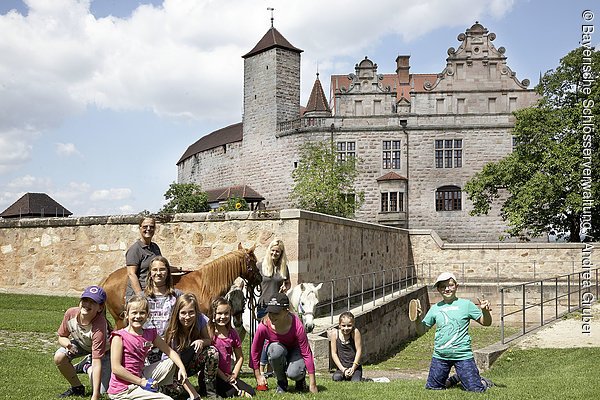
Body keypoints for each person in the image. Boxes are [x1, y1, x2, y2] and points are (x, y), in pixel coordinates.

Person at [107, 294, 198, 400]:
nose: (138, 316)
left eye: (142, 313)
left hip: (140, 375)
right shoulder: (119, 337)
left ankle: (166, 389)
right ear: (126, 315)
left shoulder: (150, 334)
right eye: (134, 313)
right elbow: (116, 369)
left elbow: (170, 352)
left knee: (172, 361)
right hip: (123, 389)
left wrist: (182, 368)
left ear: (147, 315)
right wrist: (141, 382)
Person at [417, 272, 494, 392]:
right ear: (438, 289)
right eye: (443, 286)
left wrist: (485, 311)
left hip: (463, 356)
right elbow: (421, 330)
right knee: (433, 389)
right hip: (440, 356)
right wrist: (417, 318)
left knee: (475, 390)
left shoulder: (466, 305)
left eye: (450, 285)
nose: (447, 289)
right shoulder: (435, 308)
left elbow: (486, 323)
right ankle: (454, 379)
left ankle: (483, 382)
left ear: (456, 286)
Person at [251, 293, 318, 394]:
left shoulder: (297, 325)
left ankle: (300, 380)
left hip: (295, 350)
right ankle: (282, 382)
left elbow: (307, 353)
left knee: (294, 373)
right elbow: (255, 351)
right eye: (270, 312)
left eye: (276, 313)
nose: (272, 316)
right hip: (278, 350)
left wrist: (313, 384)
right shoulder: (263, 326)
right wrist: (258, 376)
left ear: (286, 311)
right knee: (274, 350)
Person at [54, 285, 111, 400]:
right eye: (85, 300)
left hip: (104, 352)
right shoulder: (70, 313)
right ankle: (77, 387)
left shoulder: (99, 326)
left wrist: (95, 396)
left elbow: (97, 360)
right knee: (59, 356)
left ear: (100, 308)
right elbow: (61, 337)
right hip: (82, 344)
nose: (87, 304)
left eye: (92, 302)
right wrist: (68, 345)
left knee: (102, 390)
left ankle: (86, 366)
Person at [163, 293, 221, 398]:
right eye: (183, 313)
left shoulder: (200, 319)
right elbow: (172, 363)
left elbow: (210, 341)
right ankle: (184, 390)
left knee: (212, 352)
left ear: (196, 312)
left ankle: (210, 391)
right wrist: (192, 392)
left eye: (191, 312)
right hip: (174, 369)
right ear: (177, 313)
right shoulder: (172, 330)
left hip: (191, 362)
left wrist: (202, 341)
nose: (187, 317)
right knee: (175, 391)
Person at [255, 239, 291, 375]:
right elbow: (250, 281)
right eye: (273, 250)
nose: (275, 253)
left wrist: (285, 287)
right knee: (266, 337)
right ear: (269, 250)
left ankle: (268, 367)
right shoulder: (260, 266)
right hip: (264, 305)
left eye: (278, 251)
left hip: (277, 306)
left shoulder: (283, 267)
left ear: (281, 253)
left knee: (273, 337)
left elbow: (288, 283)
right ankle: (263, 367)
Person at [208, 297, 255, 398]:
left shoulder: (232, 333)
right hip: (212, 375)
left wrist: (234, 375)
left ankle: (235, 389)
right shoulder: (209, 333)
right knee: (229, 392)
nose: (223, 316)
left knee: (251, 391)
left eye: (226, 313)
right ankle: (235, 391)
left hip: (228, 375)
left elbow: (240, 357)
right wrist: (224, 377)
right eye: (219, 313)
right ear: (213, 314)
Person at [144, 256, 183, 363]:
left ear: (167, 272)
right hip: (149, 347)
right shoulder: (142, 297)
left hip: (171, 346)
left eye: (162, 269)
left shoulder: (178, 295)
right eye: (155, 270)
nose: (158, 273)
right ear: (150, 273)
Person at [125, 216, 161, 299]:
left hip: (152, 291)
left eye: (151, 227)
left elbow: (161, 266)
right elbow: (131, 274)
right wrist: (140, 296)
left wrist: (181, 269)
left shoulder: (155, 247)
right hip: (139, 294)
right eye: (145, 226)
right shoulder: (135, 249)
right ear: (140, 228)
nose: (148, 229)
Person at [330, 311, 364, 382]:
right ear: (339, 325)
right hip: (341, 367)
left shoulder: (355, 332)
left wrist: (353, 367)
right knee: (336, 378)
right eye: (343, 325)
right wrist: (343, 369)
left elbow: (359, 350)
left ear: (353, 325)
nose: (346, 328)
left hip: (355, 367)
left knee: (356, 381)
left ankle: (356, 376)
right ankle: (344, 374)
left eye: (349, 325)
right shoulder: (335, 334)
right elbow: (334, 353)